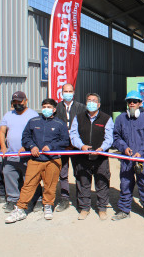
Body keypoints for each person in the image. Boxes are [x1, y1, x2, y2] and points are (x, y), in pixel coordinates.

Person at [5, 98, 69, 223]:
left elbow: (65, 141)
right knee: (28, 185)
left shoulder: (60, 124)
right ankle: (20, 209)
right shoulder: (33, 121)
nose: (46, 109)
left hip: (53, 160)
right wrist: (32, 146)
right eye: (44, 106)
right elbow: (26, 137)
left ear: (54, 109)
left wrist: (51, 147)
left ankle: (48, 205)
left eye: (49, 107)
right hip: (35, 160)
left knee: (50, 185)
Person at [111, 91, 144, 224]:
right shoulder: (121, 119)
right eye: (129, 101)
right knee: (125, 184)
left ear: (140, 103)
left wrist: (142, 152)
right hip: (127, 159)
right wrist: (123, 147)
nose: (132, 103)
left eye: (135, 101)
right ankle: (124, 210)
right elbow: (116, 136)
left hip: (143, 159)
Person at [69, 93, 113, 220]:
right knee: (83, 182)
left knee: (102, 182)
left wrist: (102, 148)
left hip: (100, 157)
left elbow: (109, 137)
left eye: (94, 101)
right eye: (89, 100)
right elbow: (73, 135)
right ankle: (84, 208)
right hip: (82, 157)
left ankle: (102, 208)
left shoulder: (106, 118)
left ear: (99, 104)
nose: (91, 103)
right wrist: (81, 146)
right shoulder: (78, 118)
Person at [0, 91, 40, 213]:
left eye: (20, 101)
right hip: (11, 154)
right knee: (8, 174)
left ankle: (35, 199)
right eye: (15, 102)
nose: (17, 104)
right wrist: (3, 146)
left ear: (25, 101)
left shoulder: (33, 115)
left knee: (31, 178)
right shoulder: (8, 115)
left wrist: (28, 147)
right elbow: (2, 132)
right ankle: (12, 200)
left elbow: (37, 134)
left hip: (27, 155)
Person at [54, 83, 86, 212]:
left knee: (79, 172)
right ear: (61, 93)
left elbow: (84, 126)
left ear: (74, 92)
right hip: (62, 146)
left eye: (70, 91)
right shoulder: (56, 108)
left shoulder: (81, 108)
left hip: (76, 146)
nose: (68, 93)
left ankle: (81, 199)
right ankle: (64, 199)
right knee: (63, 173)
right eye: (65, 91)